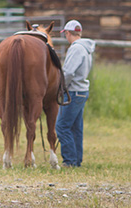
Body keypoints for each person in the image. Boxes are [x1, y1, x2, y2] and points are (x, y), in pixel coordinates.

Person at [55, 20, 95, 167]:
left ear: (67, 33)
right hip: (82, 91)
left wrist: (60, 87)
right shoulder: (85, 47)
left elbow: (69, 72)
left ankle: (70, 161)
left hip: (73, 91)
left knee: (62, 126)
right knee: (75, 128)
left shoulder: (76, 48)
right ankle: (76, 160)